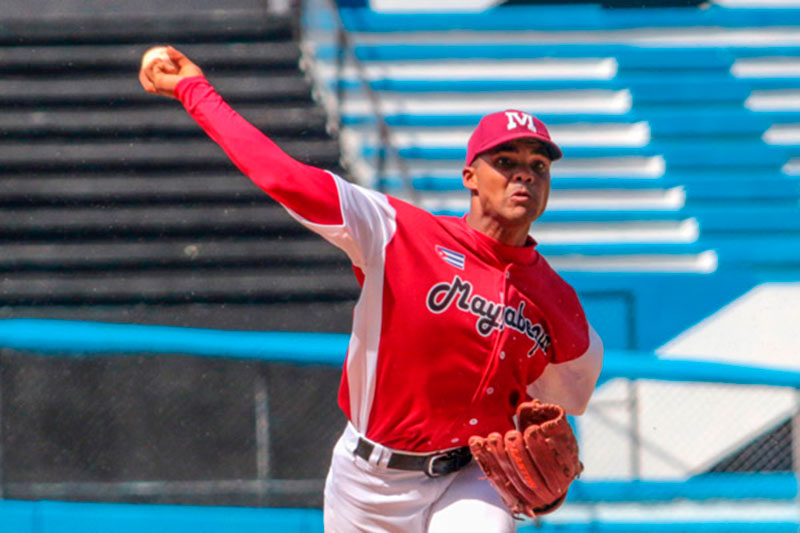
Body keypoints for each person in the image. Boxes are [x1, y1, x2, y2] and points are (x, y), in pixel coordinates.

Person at [139, 46, 603, 533]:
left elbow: (565, 401)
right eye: (505, 161)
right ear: (470, 177)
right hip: (367, 479)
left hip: (469, 476)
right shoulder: (398, 232)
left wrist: (546, 471)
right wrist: (194, 90)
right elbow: (282, 175)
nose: (524, 172)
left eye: (538, 165)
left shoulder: (558, 301)